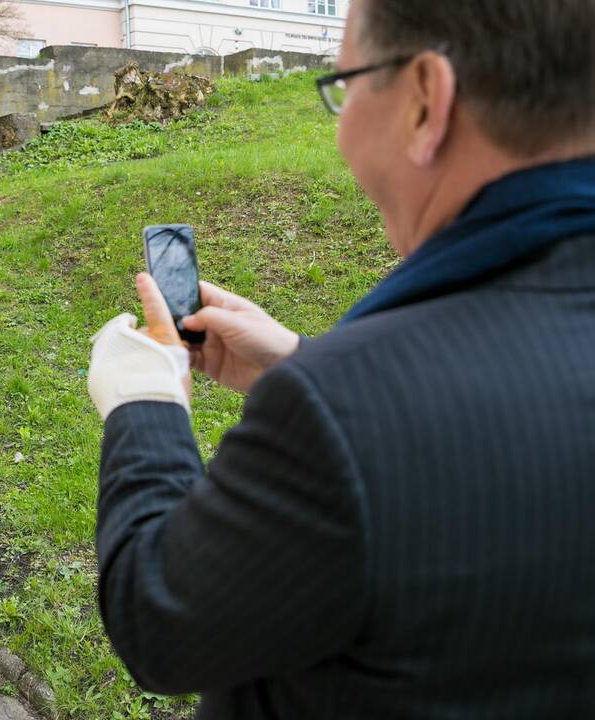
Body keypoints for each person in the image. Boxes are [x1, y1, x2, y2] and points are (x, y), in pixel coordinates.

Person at [87, 1, 595, 717]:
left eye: (347, 84)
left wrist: (147, 403)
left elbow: (161, 620)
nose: (343, 126)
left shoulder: (340, 418)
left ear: (424, 100)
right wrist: (301, 361)